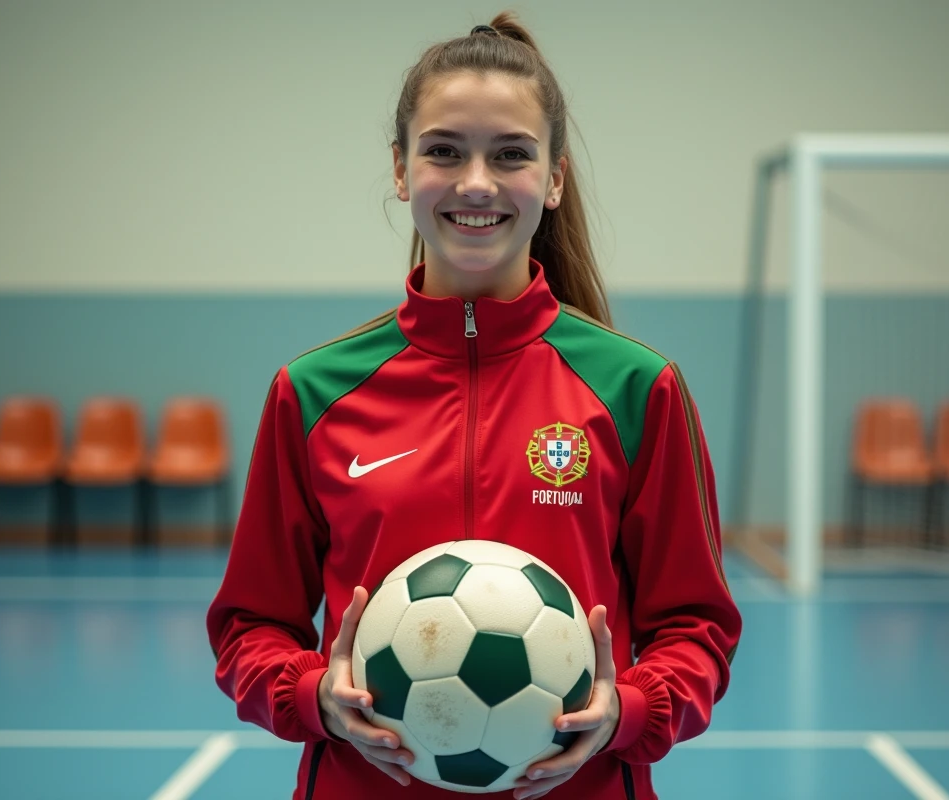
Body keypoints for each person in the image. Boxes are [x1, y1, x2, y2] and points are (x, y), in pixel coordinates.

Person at [207, 12, 741, 800]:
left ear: (554, 179)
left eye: (512, 154)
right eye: (444, 151)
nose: (477, 183)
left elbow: (697, 628)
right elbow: (249, 627)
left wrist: (626, 711)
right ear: (401, 169)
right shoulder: (314, 391)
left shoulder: (638, 387)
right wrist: (314, 694)